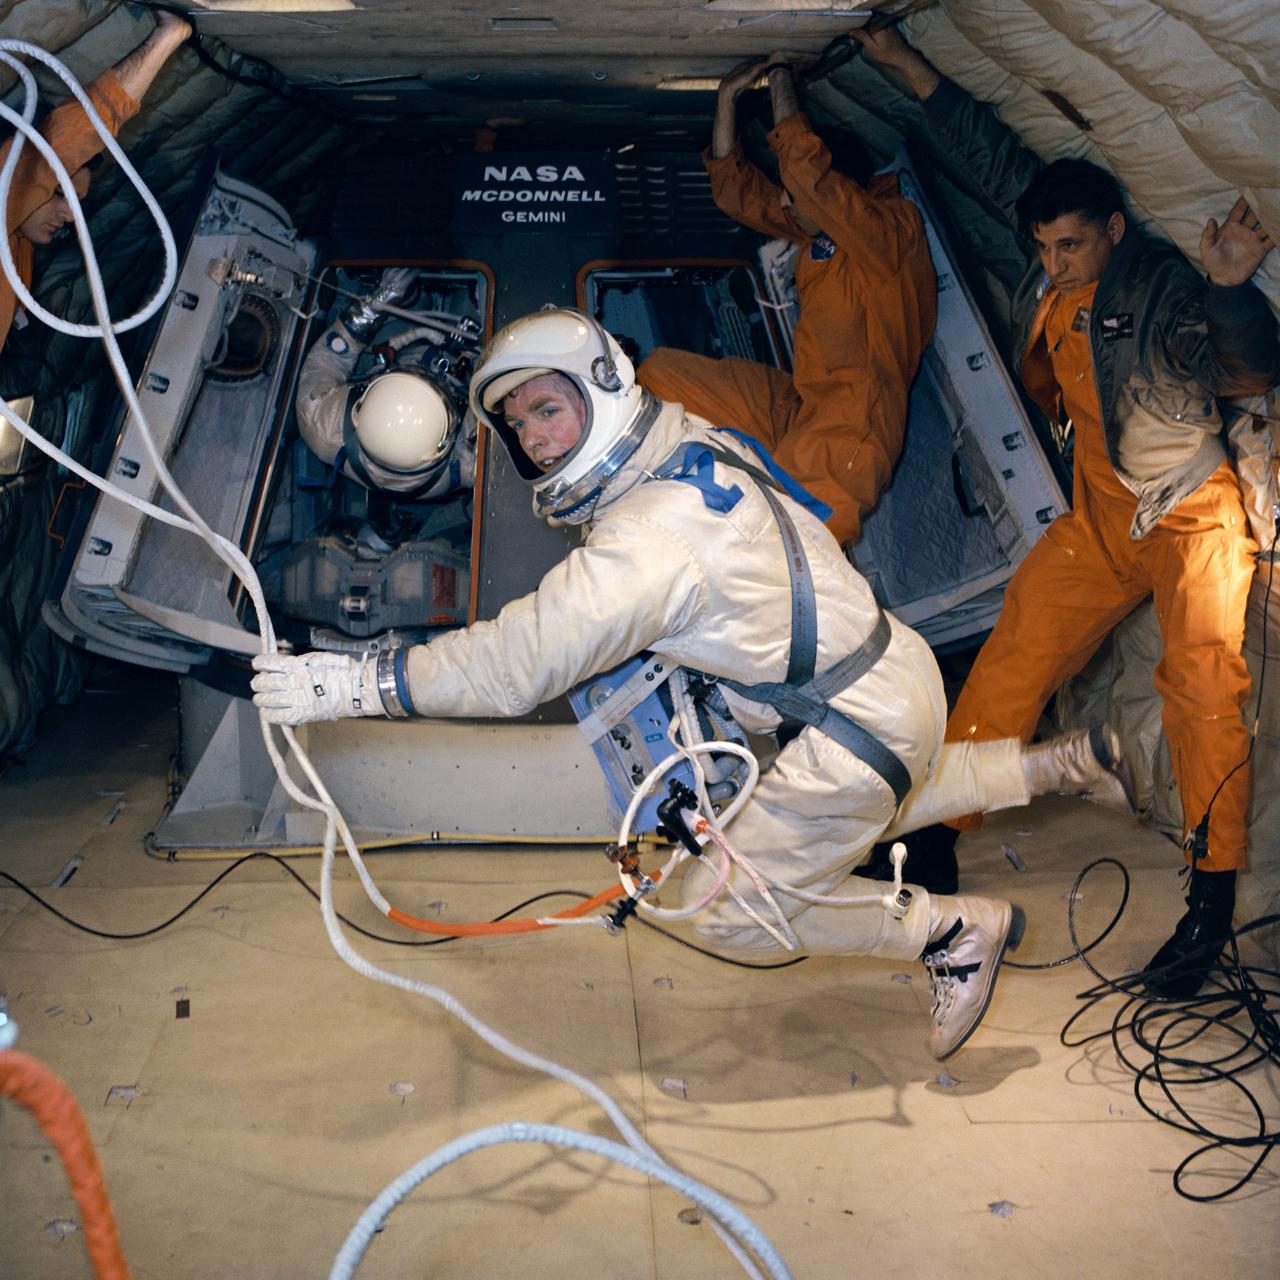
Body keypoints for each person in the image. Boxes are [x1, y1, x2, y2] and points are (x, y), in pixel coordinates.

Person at [252, 308, 1134, 1059]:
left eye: (550, 410)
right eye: (520, 426)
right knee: (869, 805)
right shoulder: (688, 442)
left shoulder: (650, 541)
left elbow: (513, 664)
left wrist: (354, 684)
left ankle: (948, 930)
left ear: (600, 391)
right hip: (892, 675)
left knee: (728, 913)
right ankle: (1044, 767)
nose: (535, 438)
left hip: (850, 728)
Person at [853, 26, 1280, 998]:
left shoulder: (1160, 283)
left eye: (1072, 244)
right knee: (1011, 662)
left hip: (1185, 519)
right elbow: (994, 159)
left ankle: (1208, 904)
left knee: (1203, 690)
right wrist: (906, 69)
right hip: (1098, 517)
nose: (1055, 261)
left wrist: (1224, 288)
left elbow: (1246, 366)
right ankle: (934, 844)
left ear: (1113, 230)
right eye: (1044, 246)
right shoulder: (1055, 257)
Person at [634, 52, 937, 546]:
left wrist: (781, 76)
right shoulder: (816, 230)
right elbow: (738, 193)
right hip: (799, 405)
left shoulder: (890, 232)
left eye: (795, 194)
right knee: (657, 377)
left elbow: (809, 181)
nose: (785, 203)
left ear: (837, 193)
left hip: (851, 424)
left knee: (802, 540)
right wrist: (728, 98)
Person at [1, 10, 192, 352]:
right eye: (59, 191)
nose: (71, 215)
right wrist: (165, 40)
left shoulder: (18, 250)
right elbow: (65, 141)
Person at [294, 267, 475, 498]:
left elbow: (325, 362)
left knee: (407, 308)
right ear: (445, 443)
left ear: (359, 409)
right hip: (466, 377)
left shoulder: (323, 424)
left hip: (404, 353)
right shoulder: (468, 461)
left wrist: (376, 305)